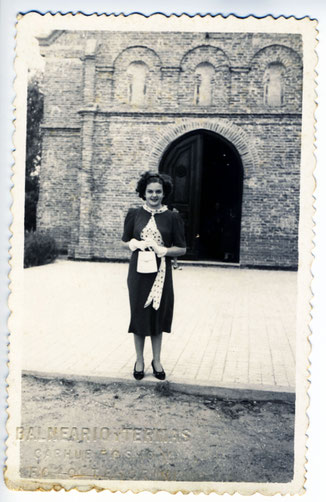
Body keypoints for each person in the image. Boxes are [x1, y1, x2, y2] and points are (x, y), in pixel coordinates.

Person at [122, 171, 187, 381]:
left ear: (164, 193)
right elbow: (125, 240)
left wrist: (164, 251)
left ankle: (156, 360)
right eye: (150, 191)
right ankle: (139, 360)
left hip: (162, 272)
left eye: (158, 191)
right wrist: (133, 244)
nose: (154, 195)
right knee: (139, 314)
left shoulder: (172, 216)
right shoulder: (134, 214)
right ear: (143, 192)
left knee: (158, 313)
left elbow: (182, 248)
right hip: (138, 273)